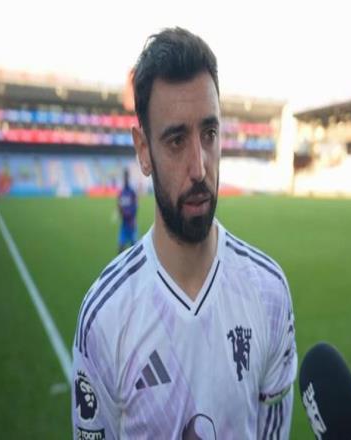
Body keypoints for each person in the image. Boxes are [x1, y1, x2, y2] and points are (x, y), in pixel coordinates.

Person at [72, 27, 297, 439]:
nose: (199, 167)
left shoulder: (269, 293)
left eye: (209, 134)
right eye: (176, 141)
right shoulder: (105, 317)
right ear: (143, 150)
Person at [117, 168, 138, 253]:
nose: (125, 178)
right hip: (124, 223)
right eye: (124, 176)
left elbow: (135, 205)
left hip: (131, 223)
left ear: (128, 177)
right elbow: (119, 205)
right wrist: (120, 210)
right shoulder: (122, 192)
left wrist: (133, 218)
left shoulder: (132, 191)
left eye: (126, 176)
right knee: (120, 248)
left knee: (135, 250)